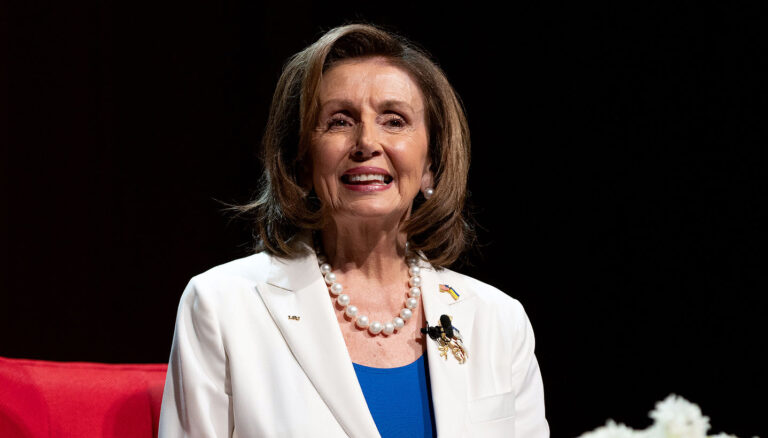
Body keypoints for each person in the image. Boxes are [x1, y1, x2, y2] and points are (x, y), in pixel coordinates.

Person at [158, 23, 549, 438]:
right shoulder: (222, 306)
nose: (366, 142)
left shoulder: (499, 322)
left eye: (394, 121)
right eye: (340, 121)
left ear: (431, 163)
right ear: (303, 162)